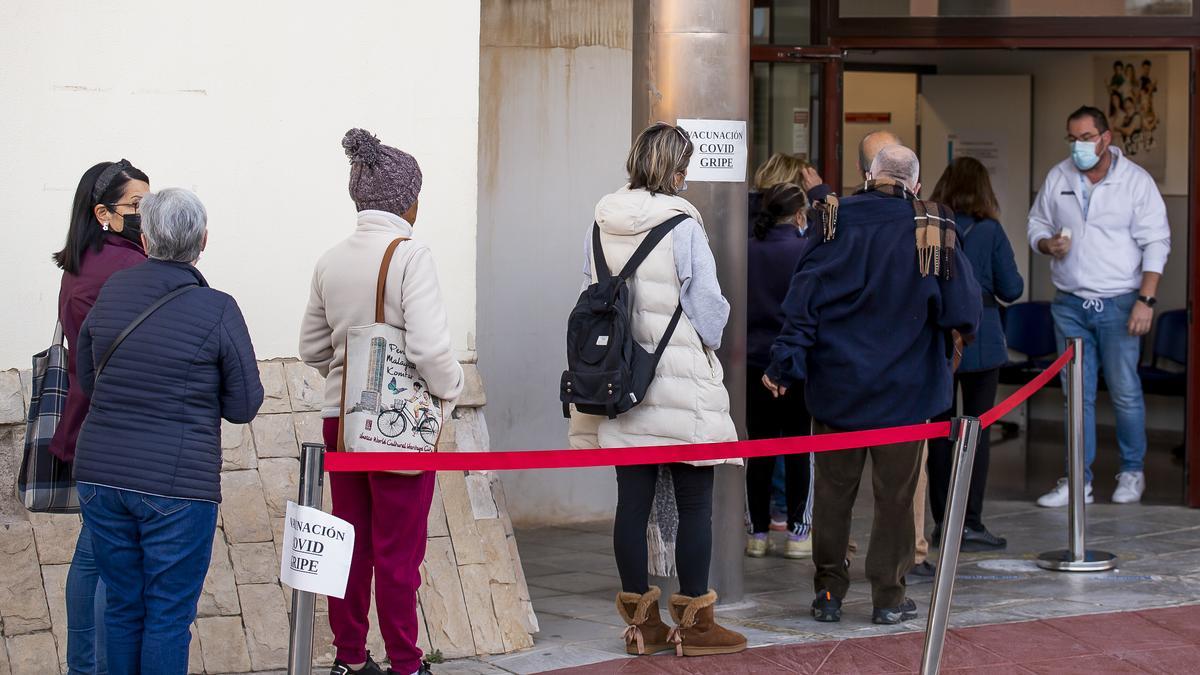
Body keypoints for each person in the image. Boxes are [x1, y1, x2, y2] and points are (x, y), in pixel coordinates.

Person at [764, 144, 981, 625]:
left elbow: (803, 302)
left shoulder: (832, 219)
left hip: (838, 388)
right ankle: (887, 597)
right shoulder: (934, 225)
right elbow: (963, 312)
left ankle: (828, 593)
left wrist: (783, 364)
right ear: (914, 185)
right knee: (896, 499)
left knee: (833, 496)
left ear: (868, 176)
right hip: (906, 392)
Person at [569, 122, 746, 658]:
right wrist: (709, 340)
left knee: (632, 503)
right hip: (679, 383)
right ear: (673, 170)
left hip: (619, 383)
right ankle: (694, 624)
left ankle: (641, 627)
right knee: (695, 505)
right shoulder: (683, 226)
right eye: (683, 167)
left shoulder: (600, 223)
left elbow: (589, 292)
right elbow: (709, 311)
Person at [73, 188, 264, 673]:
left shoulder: (114, 290)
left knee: (123, 605)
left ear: (148, 235)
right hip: (176, 486)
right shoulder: (218, 308)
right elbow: (243, 406)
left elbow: (90, 377)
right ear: (203, 241)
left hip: (101, 476)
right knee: (167, 616)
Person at [301, 129, 464, 675]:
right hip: (394, 424)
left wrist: (347, 372)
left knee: (348, 542)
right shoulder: (410, 255)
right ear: (406, 200)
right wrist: (451, 387)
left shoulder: (329, 259)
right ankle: (405, 662)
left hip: (340, 423)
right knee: (399, 551)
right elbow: (428, 346)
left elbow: (311, 347)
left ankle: (349, 658)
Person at [1028, 106, 1170, 507]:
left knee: (1125, 391)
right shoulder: (1059, 176)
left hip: (1121, 303)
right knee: (1077, 396)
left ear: (1106, 138)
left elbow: (1156, 241)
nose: (1078, 147)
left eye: (1086, 138)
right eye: (1072, 138)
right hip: (1070, 304)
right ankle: (1078, 480)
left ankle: (1131, 472)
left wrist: (1146, 299)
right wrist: (1046, 244)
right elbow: (1036, 223)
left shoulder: (1135, 182)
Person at [50, 159, 150, 675]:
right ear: (104, 213)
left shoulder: (82, 263)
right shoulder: (128, 269)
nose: (145, 216)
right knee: (109, 564)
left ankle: (84, 666)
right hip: (116, 433)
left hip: (88, 428)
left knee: (93, 556)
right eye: (137, 206)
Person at [926, 157, 1024, 552]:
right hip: (982, 337)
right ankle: (971, 522)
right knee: (977, 432)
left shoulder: (931, 227)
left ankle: (940, 523)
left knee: (938, 432)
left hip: (938, 337)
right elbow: (1012, 288)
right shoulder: (991, 231)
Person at [746, 183, 815, 560]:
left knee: (759, 449)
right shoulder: (806, 250)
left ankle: (756, 533)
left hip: (754, 364)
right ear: (800, 215)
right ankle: (798, 533)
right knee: (798, 449)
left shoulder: (747, 249)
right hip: (797, 365)